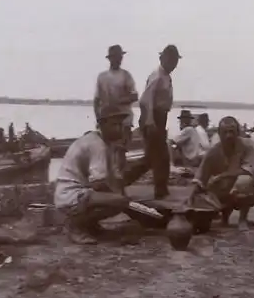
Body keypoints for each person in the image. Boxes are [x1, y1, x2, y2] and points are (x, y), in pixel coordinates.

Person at [54, 105, 131, 245]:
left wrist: (119, 193)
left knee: (120, 200)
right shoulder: (97, 145)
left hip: (78, 194)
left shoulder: (108, 145)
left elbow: (117, 178)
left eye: (121, 125)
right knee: (120, 201)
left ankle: (91, 226)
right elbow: (98, 183)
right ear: (102, 125)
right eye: (114, 125)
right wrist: (117, 198)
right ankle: (75, 226)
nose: (119, 129)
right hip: (71, 195)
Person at [126, 44, 182, 199]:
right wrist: (150, 121)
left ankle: (160, 189)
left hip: (160, 117)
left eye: (176, 61)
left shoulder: (166, 76)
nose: (174, 64)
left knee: (156, 157)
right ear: (163, 58)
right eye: (171, 60)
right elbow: (145, 100)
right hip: (152, 117)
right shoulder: (157, 76)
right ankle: (125, 182)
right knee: (157, 156)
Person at [187, 116, 254, 231]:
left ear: (238, 132)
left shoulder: (247, 146)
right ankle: (224, 218)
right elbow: (200, 178)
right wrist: (189, 199)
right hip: (221, 190)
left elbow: (248, 170)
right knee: (205, 194)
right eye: (225, 132)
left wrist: (222, 176)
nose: (228, 136)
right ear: (219, 134)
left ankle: (242, 219)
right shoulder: (213, 152)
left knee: (245, 181)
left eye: (232, 131)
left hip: (240, 187)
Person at [94, 45, 138, 149]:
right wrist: (98, 118)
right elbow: (96, 101)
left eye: (120, 57)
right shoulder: (102, 77)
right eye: (116, 57)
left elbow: (135, 96)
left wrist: (118, 101)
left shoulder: (126, 75)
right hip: (107, 120)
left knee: (121, 150)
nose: (119, 59)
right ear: (110, 58)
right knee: (107, 150)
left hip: (124, 119)